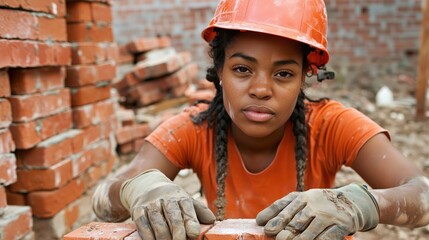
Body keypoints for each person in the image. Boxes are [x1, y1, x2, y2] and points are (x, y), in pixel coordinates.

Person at [92, 0, 429, 239]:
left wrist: (358, 203)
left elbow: (422, 195)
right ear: (219, 71)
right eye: (242, 69)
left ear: (303, 80)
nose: (261, 89)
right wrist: (140, 189)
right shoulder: (195, 128)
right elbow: (104, 198)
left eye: (283, 73)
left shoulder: (331, 125)